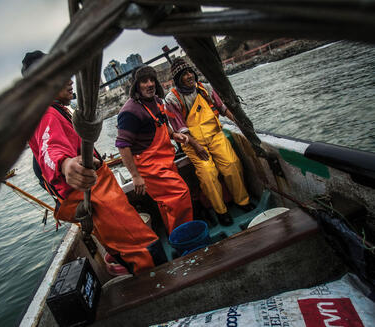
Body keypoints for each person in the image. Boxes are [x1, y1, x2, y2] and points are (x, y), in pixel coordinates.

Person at [22, 51, 167, 275]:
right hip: (96, 194)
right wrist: (66, 165)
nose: (71, 81)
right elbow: (50, 151)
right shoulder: (47, 115)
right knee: (147, 248)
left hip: (100, 191)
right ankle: (161, 283)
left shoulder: (57, 110)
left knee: (131, 247)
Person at [165, 58, 254, 226]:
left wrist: (239, 122)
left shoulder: (205, 88)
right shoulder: (172, 100)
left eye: (190, 72)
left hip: (215, 135)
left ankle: (243, 201)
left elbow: (222, 108)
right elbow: (179, 128)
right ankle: (221, 211)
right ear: (178, 79)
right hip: (193, 142)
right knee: (208, 175)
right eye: (185, 75)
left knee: (231, 163)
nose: (190, 76)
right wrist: (197, 146)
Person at [116, 65, 193, 236]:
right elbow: (122, 146)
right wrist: (135, 176)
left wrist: (174, 135)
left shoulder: (158, 102)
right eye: (144, 81)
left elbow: (161, 124)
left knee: (167, 203)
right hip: (150, 168)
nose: (150, 84)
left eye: (152, 80)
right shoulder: (129, 112)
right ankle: (185, 237)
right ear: (136, 86)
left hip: (165, 161)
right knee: (180, 195)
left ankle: (175, 235)